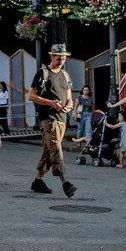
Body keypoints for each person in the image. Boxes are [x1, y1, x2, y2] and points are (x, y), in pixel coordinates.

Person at [27, 46, 78, 197]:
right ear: (51, 56)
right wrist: (50, 103)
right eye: (58, 57)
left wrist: (68, 107)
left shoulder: (65, 75)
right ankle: (65, 183)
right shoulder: (43, 73)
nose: (60, 60)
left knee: (49, 150)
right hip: (48, 118)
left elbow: (69, 98)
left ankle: (38, 181)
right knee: (55, 148)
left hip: (62, 118)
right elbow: (31, 96)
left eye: (63, 58)